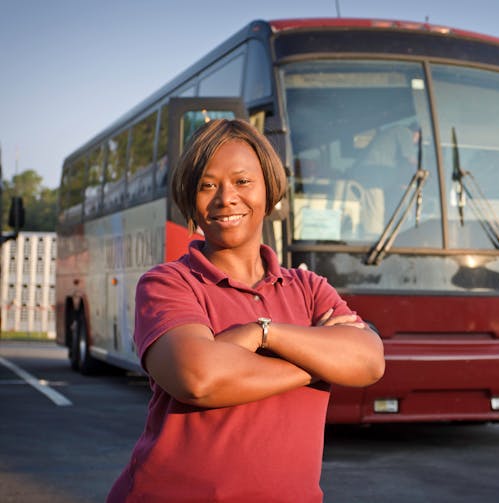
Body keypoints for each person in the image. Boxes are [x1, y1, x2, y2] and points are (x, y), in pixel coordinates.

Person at [107, 119, 385, 502]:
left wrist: (263, 333)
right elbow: (199, 379)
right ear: (190, 197)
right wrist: (320, 360)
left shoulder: (308, 288)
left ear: (269, 189)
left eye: (242, 182)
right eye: (207, 185)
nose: (226, 198)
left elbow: (369, 363)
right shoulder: (168, 284)